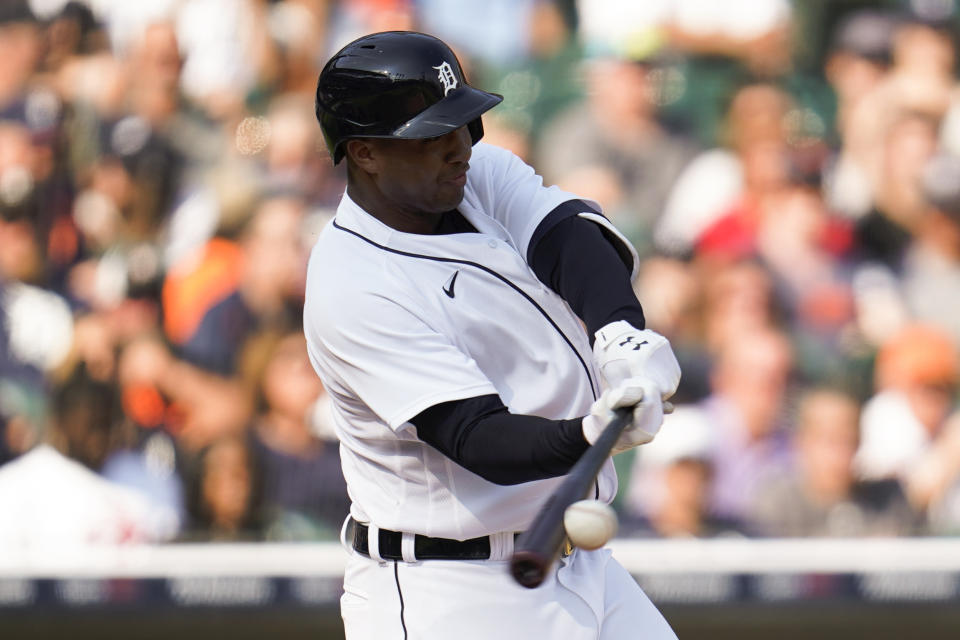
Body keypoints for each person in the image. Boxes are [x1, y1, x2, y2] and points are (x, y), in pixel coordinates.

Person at [303, 31, 681, 640]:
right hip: (452, 591)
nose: (461, 148)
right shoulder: (350, 285)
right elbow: (474, 438)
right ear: (365, 152)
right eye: (433, 135)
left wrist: (619, 336)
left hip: (578, 563)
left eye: (465, 125)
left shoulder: (476, 178)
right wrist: (589, 434)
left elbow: (570, 237)